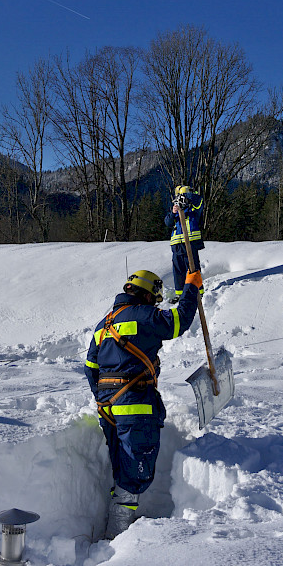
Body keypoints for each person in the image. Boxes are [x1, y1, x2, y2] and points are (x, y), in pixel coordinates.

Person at [85, 268, 202, 537]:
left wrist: (103, 396)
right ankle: (119, 542)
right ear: (148, 294)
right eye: (155, 298)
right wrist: (191, 288)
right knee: (135, 475)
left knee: (121, 468)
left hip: (108, 408)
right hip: (136, 405)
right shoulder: (145, 316)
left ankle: (115, 534)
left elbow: (90, 367)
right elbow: (178, 321)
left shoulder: (103, 325)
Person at [164, 185, 204, 302]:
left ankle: (198, 292)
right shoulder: (176, 211)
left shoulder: (194, 209)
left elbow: (199, 200)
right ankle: (180, 294)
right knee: (178, 270)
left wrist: (186, 196)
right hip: (177, 245)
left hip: (191, 243)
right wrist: (173, 212)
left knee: (193, 268)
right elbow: (168, 222)